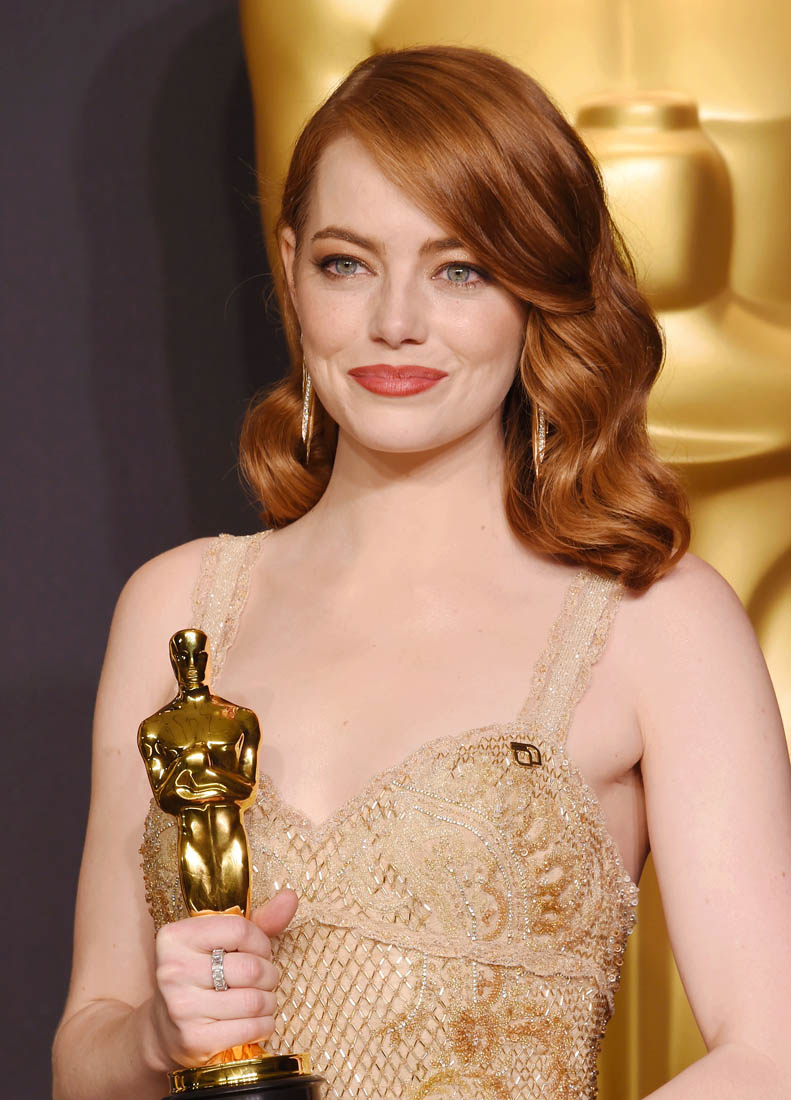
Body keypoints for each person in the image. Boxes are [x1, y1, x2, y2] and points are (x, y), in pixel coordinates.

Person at [52, 45, 791, 1100]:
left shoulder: (652, 621)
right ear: (290, 268)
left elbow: (771, 1050)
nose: (394, 321)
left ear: (536, 288)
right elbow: (84, 1050)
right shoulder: (177, 609)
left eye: (461, 269)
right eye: (346, 264)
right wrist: (154, 1036)